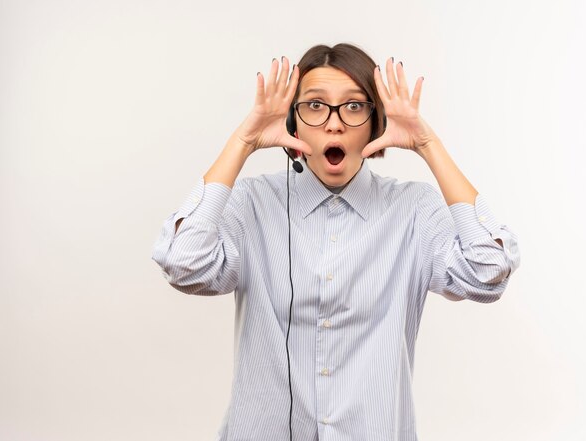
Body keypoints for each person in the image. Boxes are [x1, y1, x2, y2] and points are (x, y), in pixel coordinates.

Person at [152, 43, 520, 441]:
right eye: (314, 106)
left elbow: (488, 274)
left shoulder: (413, 209)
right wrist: (243, 141)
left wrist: (428, 146)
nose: (333, 124)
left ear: (375, 122)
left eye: (354, 106)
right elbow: (183, 264)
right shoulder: (253, 203)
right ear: (293, 122)